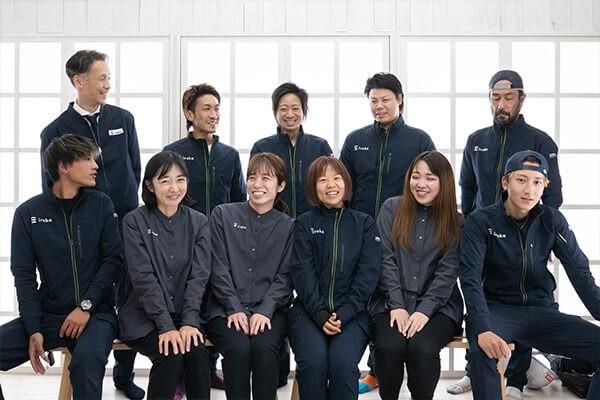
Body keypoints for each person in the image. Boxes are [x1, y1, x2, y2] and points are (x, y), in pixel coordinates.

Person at [450, 69, 564, 398]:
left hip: (525, 237)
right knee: (479, 299)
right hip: (482, 237)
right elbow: (467, 189)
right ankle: (474, 370)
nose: (501, 104)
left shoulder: (540, 141)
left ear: (521, 99)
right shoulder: (476, 141)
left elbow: (553, 197)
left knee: (522, 298)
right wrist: (470, 229)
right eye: (495, 98)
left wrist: (545, 237)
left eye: (508, 98)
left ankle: (514, 378)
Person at [39, 49, 143, 399]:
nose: (108, 84)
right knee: (94, 296)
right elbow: (52, 187)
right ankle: (84, 359)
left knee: (129, 297)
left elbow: (134, 169)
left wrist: (127, 208)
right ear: (78, 81)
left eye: (108, 77)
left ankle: (124, 376)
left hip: (125, 223)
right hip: (85, 229)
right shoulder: (55, 131)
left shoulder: (123, 119)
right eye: (102, 78)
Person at [459, 150, 600, 400]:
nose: (529, 190)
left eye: (537, 182)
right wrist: (483, 327)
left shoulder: (552, 220)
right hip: (497, 311)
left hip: (541, 310)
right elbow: (470, 278)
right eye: (521, 180)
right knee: (482, 352)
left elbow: (579, 271)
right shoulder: (480, 221)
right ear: (506, 182)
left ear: (545, 186)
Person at [0, 134, 122, 399]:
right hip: (50, 315)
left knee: (87, 363)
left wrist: (86, 306)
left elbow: (113, 260)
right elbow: (24, 277)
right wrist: (33, 328)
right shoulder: (28, 214)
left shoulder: (101, 205)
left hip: (96, 315)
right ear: (64, 167)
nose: (95, 165)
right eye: (87, 158)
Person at [340, 72, 435, 393]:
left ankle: (381, 369)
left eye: (385, 100)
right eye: (373, 101)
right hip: (361, 233)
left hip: (404, 235)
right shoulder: (355, 140)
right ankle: (363, 366)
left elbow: (431, 184)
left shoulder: (419, 140)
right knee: (365, 297)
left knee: (393, 295)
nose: (379, 106)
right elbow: (344, 187)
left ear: (400, 100)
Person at [369, 151, 463, 400]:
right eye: (416, 176)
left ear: (444, 182)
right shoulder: (391, 208)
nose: (421, 184)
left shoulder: (456, 221)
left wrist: (424, 310)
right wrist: (397, 305)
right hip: (390, 301)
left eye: (430, 178)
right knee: (390, 347)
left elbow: (447, 273)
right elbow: (384, 259)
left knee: (422, 348)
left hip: (439, 306)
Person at [119, 151, 211, 400]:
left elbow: (199, 277)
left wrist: (189, 321)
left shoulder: (199, 222)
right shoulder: (134, 221)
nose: (174, 188)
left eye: (180, 180)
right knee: (170, 354)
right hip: (144, 316)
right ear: (150, 185)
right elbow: (143, 278)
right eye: (165, 180)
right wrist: (165, 326)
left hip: (186, 313)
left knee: (198, 354)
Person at [288, 156, 381, 400]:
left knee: (342, 365)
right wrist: (319, 313)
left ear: (346, 183)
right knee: (313, 364)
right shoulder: (304, 223)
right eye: (322, 180)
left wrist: (345, 313)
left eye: (336, 178)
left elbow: (368, 275)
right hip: (308, 312)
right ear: (313, 187)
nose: (331, 185)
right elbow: (302, 273)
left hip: (353, 314)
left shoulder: (364, 224)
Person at [206, 153, 294, 400]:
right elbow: (217, 267)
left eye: (266, 178)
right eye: (252, 177)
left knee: (265, 349)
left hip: (270, 311)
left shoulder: (288, 226)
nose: (257, 185)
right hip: (222, 309)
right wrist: (233, 308)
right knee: (238, 348)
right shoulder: (222, 215)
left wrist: (265, 310)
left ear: (281, 186)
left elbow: (286, 277)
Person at [251, 82, 333, 218]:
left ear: (303, 110)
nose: (290, 114)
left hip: (313, 222)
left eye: (295, 108)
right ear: (275, 112)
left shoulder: (320, 146)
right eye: (283, 109)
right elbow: (255, 188)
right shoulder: (261, 148)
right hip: (273, 222)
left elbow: (331, 187)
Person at [165, 83, 246, 217]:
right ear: (190, 114)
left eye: (216, 109)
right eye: (207, 109)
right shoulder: (173, 153)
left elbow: (239, 201)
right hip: (184, 228)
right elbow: (164, 198)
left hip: (221, 228)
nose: (214, 115)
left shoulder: (231, 155)